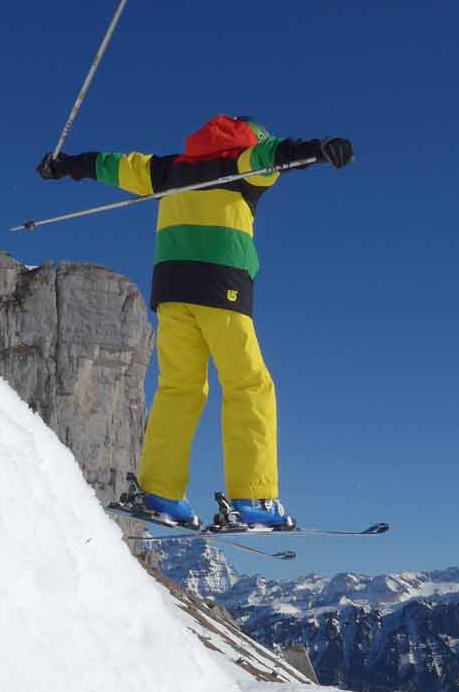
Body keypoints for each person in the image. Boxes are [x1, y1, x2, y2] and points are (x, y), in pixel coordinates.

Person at [37, 115, 354, 529]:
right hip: (222, 284)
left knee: (179, 388)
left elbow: (114, 165)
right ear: (251, 140)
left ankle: (160, 493)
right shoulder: (243, 162)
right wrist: (320, 148)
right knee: (249, 385)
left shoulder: (168, 169)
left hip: (171, 289)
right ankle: (253, 498)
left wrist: (64, 165)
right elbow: (277, 156)